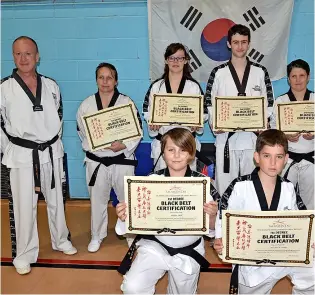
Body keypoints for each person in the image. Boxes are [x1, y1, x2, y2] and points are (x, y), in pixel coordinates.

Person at [1, 36, 77, 275]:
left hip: (51, 151)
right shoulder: (4, 88)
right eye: (18, 54)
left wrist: (53, 144)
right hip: (22, 154)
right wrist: (12, 149)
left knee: (57, 201)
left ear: (37, 56)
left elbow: (60, 118)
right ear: (13, 56)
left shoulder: (51, 85)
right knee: (24, 206)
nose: (23, 59)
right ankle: (24, 254)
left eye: (28, 53)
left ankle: (61, 240)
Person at [115, 128, 219, 294]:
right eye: (171, 150)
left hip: (188, 251)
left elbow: (213, 229)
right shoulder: (150, 182)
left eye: (183, 150)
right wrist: (124, 215)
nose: (177, 155)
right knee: (132, 287)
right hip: (155, 246)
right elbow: (134, 220)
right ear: (163, 153)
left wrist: (212, 216)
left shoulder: (203, 185)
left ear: (191, 154)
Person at [213, 129, 313, 294]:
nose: (273, 163)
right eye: (267, 156)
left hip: (284, 255)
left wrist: (310, 238)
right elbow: (224, 214)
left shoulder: (288, 188)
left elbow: (302, 219)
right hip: (251, 262)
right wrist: (220, 238)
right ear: (257, 157)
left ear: (286, 159)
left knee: (312, 273)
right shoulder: (240, 186)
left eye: (279, 157)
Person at [76, 62, 142, 252]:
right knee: (97, 201)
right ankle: (97, 235)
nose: (105, 82)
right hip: (96, 161)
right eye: (101, 77)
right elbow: (82, 133)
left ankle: (131, 235)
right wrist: (98, 145)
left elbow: (137, 131)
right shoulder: (86, 105)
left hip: (122, 159)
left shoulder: (126, 102)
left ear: (116, 80)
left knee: (126, 200)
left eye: (109, 77)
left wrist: (124, 145)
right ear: (96, 80)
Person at [205, 24, 274, 195]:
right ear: (229, 44)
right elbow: (209, 102)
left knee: (251, 190)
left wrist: (263, 123)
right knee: (224, 191)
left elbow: (269, 103)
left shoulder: (260, 72)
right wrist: (215, 123)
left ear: (249, 43)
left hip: (252, 139)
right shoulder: (218, 73)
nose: (240, 46)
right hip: (226, 140)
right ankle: (223, 220)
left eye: (244, 42)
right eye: (236, 42)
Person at [142, 43, 209, 172]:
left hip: (186, 144)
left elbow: (204, 113)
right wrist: (152, 123)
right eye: (172, 58)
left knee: (187, 188)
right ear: (166, 60)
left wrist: (198, 123)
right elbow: (147, 111)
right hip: (163, 143)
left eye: (180, 58)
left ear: (186, 61)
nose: (175, 61)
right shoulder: (157, 87)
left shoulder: (193, 87)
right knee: (162, 188)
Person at [270, 59, 314, 210]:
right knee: (284, 201)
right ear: (288, 79)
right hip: (288, 159)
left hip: (311, 159)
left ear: (308, 77)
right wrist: (285, 136)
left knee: (310, 203)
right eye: (294, 76)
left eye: (302, 75)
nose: (298, 80)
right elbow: (273, 130)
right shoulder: (281, 101)